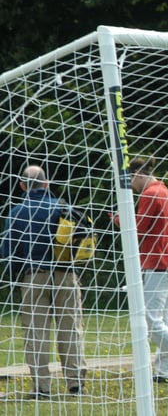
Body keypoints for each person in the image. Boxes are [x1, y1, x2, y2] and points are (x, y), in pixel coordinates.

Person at [1, 165, 87, 398]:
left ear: (22, 186)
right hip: (66, 275)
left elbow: (8, 252)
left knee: (36, 332)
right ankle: (76, 383)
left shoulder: (17, 212)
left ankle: (42, 387)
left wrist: (18, 273)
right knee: (70, 329)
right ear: (47, 183)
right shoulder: (63, 207)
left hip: (34, 275)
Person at [120, 157, 168, 385]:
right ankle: (163, 372)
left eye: (130, 180)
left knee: (151, 320)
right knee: (164, 319)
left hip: (157, 263)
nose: (131, 186)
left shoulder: (150, 194)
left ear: (138, 174)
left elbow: (138, 229)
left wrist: (120, 220)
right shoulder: (164, 191)